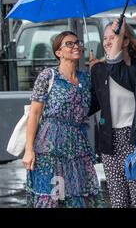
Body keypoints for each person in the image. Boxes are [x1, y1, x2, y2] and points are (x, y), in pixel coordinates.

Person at [23, 31, 105, 208]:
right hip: (49, 146)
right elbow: (34, 114)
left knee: (79, 197)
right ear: (58, 53)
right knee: (52, 198)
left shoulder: (86, 78)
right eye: (69, 44)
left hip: (78, 147)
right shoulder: (48, 76)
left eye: (77, 42)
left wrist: (97, 70)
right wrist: (28, 150)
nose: (76, 46)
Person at [89, 22, 136, 208]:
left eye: (113, 37)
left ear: (125, 41)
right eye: (105, 38)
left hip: (134, 139)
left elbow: (120, 71)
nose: (108, 42)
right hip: (110, 139)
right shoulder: (99, 70)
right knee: (118, 199)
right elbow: (91, 104)